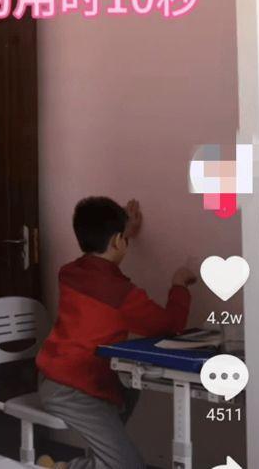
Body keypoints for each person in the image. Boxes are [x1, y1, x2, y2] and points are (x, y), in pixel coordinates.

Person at [36, 196, 196, 469]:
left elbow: (101, 265)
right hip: (73, 390)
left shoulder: (70, 273)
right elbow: (171, 325)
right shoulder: (121, 294)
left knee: (128, 386)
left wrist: (123, 232)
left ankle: (60, 466)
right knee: (129, 466)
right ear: (117, 241)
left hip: (57, 379)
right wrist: (178, 284)